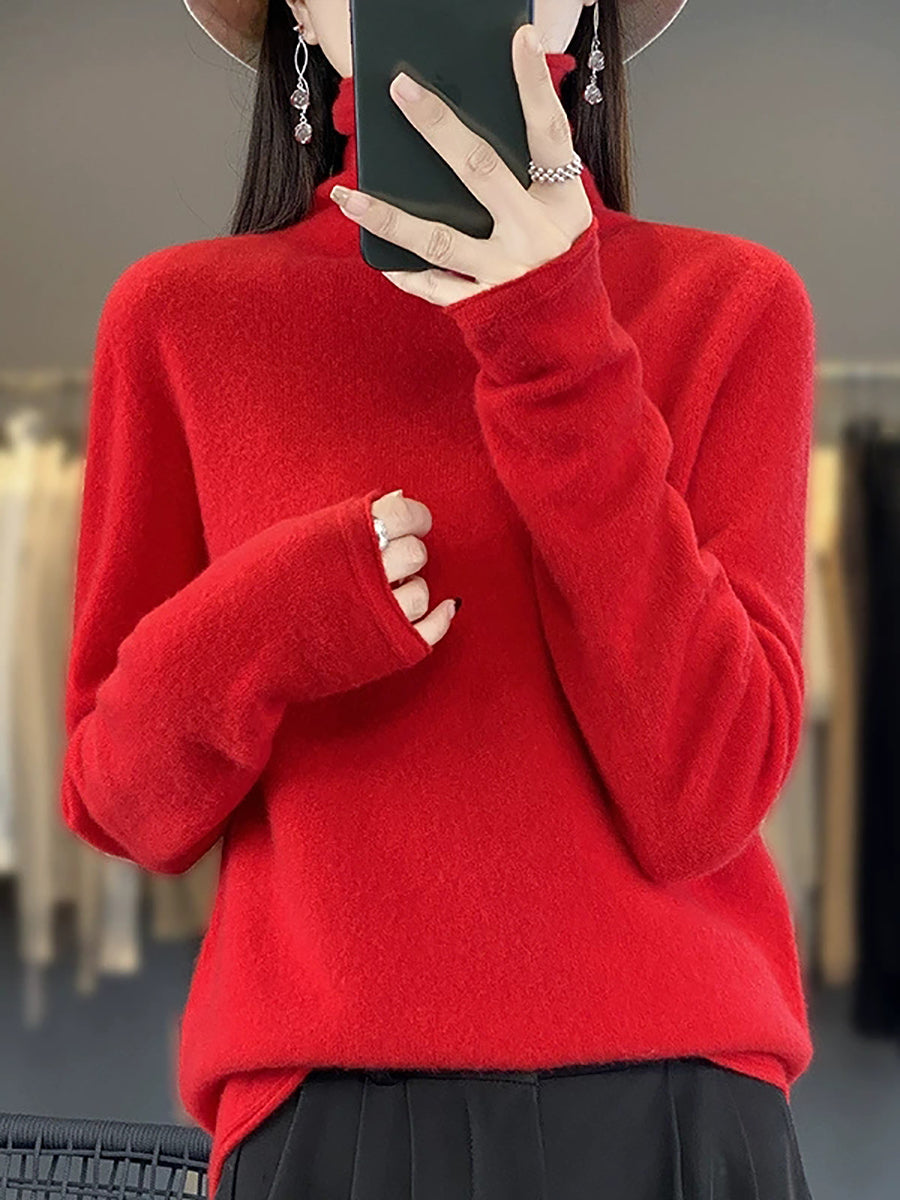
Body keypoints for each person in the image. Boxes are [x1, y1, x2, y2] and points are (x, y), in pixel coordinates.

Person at [61, 0, 818, 1196]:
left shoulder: (731, 303)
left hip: (678, 1109)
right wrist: (276, 617)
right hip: (331, 1116)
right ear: (300, 11)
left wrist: (556, 344)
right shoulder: (179, 320)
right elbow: (122, 804)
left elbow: (705, 798)